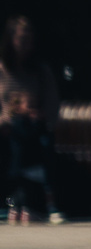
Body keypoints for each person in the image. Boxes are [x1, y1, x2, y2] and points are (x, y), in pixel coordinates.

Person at [0, 18, 64, 223]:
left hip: (34, 127)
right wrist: (5, 119)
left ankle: (23, 202)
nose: (27, 45)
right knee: (17, 139)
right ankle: (29, 203)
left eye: (30, 40)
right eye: (22, 39)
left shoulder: (40, 71)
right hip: (7, 127)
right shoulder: (1, 70)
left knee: (33, 142)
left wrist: (42, 116)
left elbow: (52, 103)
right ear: (11, 40)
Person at [2, 89, 49, 225]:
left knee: (24, 189)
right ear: (18, 108)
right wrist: (36, 123)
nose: (33, 109)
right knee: (27, 189)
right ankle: (25, 211)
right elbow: (28, 137)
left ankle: (18, 211)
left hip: (24, 163)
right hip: (25, 163)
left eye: (35, 106)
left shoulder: (23, 122)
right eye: (30, 106)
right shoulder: (19, 122)